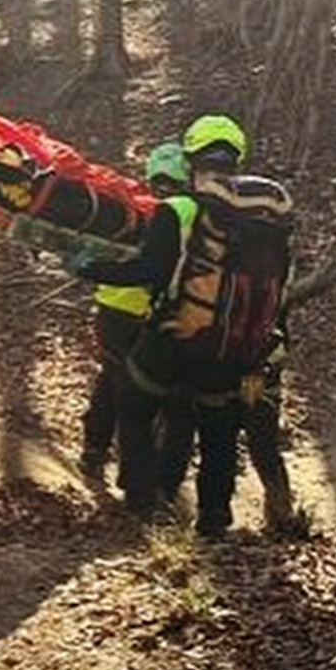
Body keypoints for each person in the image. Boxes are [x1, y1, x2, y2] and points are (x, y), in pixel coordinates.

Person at [75, 115, 296, 538]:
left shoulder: (178, 209)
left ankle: (143, 502)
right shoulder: (268, 220)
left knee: (134, 405)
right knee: (219, 429)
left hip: (174, 339)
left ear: (190, 160)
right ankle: (214, 519)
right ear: (237, 160)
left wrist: (89, 268)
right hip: (233, 347)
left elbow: (150, 271)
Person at [78, 142, 194, 482]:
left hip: (113, 309)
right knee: (147, 395)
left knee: (112, 380)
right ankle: (136, 472)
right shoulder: (188, 212)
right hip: (154, 313)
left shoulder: (125, 207)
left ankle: (94, 451)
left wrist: (88, 269)